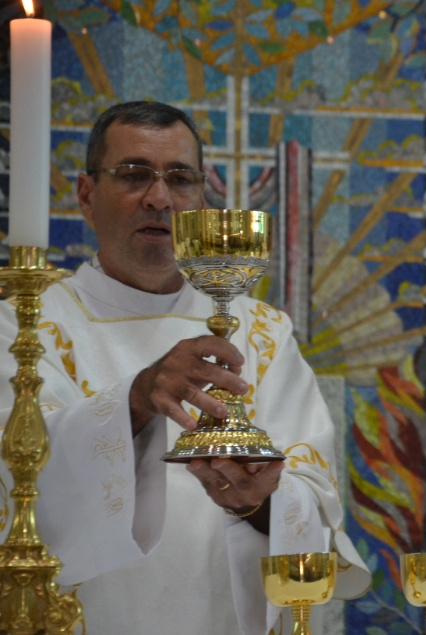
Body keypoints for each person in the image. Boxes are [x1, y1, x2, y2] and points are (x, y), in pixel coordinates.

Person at [0, 101, 370, 634]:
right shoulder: (24, 327)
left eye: (180, 178)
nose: (159, 198)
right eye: (133, 175)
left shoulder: (263, 331)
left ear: (201, 198)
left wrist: (259, 503)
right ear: (86, 195)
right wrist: (137, 397)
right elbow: (19, 483)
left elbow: (312, 497)